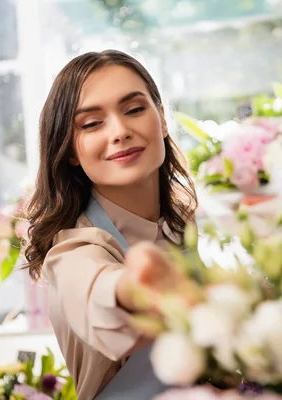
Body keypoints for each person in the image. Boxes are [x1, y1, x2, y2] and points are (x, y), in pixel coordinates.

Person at [23, 50, 198, 399]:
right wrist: (141, 289)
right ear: (71, 150)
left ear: (162, 119)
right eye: (91, 124)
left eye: (134, 110)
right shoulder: (75, 250)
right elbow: (96, 287)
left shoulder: (181, 222)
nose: (119, 132)